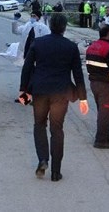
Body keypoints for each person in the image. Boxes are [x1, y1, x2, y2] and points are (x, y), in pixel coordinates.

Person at [19, 14, 89, 182]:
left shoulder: (39, 43)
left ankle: (43, 159)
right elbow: (78, 75)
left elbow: (27, 68)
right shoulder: (71, 47)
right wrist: (83, 98)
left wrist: (24, 91)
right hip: (61, 93)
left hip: (40, 91)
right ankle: (56, 172)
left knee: (39, 125)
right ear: (65, 27)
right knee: (57, 129)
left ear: (49, 26)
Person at [86, 24, 109, 149]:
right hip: (105, 85)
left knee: (102, 111)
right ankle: (101, 140)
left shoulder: (92, 47)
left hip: (94, 83)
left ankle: (105, 135)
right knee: (105, 113)